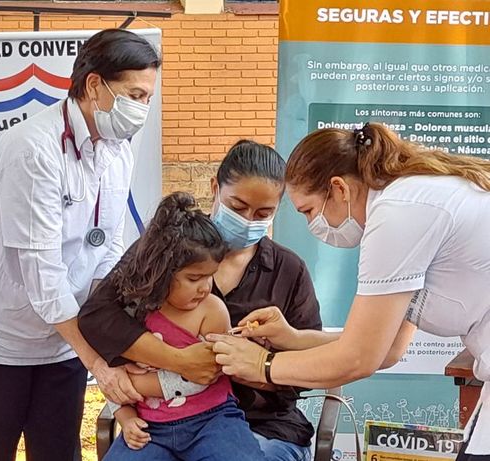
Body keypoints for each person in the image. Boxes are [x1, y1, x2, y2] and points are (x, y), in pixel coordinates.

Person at [0, 29, 161, 461]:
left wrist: (112, 340)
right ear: (95, 85)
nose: (142, 109)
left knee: (60, 452)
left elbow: (108, 253)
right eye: (135, 94)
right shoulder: (33, 149)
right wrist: (99, 362)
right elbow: (41, 273)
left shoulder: (118, 152)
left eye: (148, 98)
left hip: (63, 343)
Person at [209, 123, 490, 460]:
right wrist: (293, 339)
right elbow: (388, 348)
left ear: (339, 188)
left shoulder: (398, 213)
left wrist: (263, 365)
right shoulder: (413, 197)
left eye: (309, 211)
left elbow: (360, 357)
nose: (313, 225)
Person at [79, 140, 322, 461]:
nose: (249, 220)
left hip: (264, 424)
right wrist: (174, 361)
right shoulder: (164, 253)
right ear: (214, 188)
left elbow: (308, 370)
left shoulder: (288, 271)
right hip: (161, 420)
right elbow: (98, 316)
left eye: (264, 213)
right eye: (237, 207)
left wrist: (258, 369)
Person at [96, 191, 266, 460]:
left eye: (210, 276)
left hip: (211, 421)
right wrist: (125, 416)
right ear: (163, 272)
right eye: (194, 278)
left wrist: (132, 384)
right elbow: (112, 378)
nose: (205, 287)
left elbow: (202, 375)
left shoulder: (212, 310)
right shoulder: (133, 313)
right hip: (150, 427)